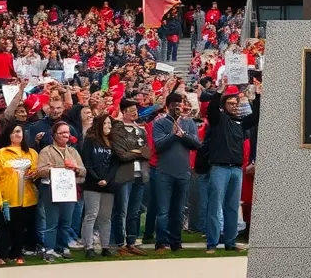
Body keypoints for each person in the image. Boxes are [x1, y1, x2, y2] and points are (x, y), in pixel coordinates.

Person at [203, 82, 261, 254]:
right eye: (231, 103)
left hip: (236, 169)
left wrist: (258, 96)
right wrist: (219, 91)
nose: (235, 106)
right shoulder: (218, 120)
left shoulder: (240, 123)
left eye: (237, 103)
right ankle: (212, 243)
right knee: (215, 206)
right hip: (219, 168)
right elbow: (212, 109)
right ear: (224, 105)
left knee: (232, 207)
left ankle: (230, 241)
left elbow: (256, 116)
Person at [152, 91, 201, 252]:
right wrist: (173, 135)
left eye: (180, 105)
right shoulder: (160, 123)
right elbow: (158, 145)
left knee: (179, 210)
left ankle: (176, 242)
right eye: (175, 106)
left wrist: (183, 135)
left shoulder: (189, 123)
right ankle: (161, 242)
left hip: (183, 172)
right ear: (168, 107)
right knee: (163, 210)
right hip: (164, 172)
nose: (178, 108)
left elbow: (196, 143)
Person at [35, 121, 84, 261]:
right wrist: (55, 168)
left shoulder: (73, 151)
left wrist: (75, 168)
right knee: (52, 222)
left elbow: (83, 171)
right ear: (54, 135)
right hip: (50, 189)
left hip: (68, 190)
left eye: (67, 132)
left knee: (66, 221)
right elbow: (40, 171)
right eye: (62, 133)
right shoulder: (47, 151)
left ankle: (63, 247)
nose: (65, 135)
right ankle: (49, 249)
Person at [0, 123, 38, 266]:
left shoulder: (32, 153)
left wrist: (34, 174)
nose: (16, 134)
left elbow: (36, 172)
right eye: (13, 132)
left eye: (18, 131)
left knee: (20, 228)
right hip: (6, 199)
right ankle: (1, 255)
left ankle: (17, 253)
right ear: (8, 135)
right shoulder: (0, 154)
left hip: (27, 198)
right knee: (4, 228)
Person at [110, 99, 151, 255]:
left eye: (136, 110)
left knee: (134, 211)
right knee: (122, 210)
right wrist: (138, 152)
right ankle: (119, 243)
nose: (135, 113)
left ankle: (131, 242)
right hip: (124, 174)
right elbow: (121, 154)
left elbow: (147, 152)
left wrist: (135, 152)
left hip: (140, 174)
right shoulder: (118, 129)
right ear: (124, 112)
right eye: (131, 110)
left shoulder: (140, 130)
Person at [81, 113, 119, 259]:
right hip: (92, 183)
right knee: (91, 215)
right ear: (99, 125)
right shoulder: (90, 140)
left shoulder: (112, 142)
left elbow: (115, 164)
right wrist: (98, 178)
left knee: (105, 217)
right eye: (106, 123)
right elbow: (87, 162)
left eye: (110, 124)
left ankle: (105, 246)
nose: (109, 126)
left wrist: (107, 179)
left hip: (108, 185)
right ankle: (89, 246)